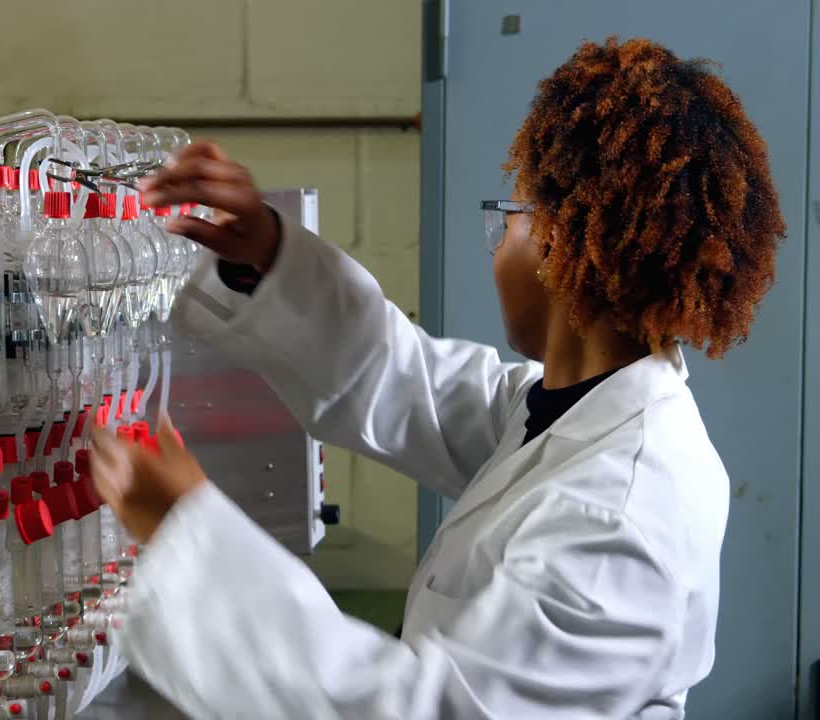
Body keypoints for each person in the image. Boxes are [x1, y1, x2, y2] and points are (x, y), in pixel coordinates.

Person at [88, 37, 785, 719]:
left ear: (561, 242)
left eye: (507, 219)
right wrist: (263, 253)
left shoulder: (623, 515)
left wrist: (191, 536)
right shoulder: (562, 410)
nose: (497, 244)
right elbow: (401, 378)